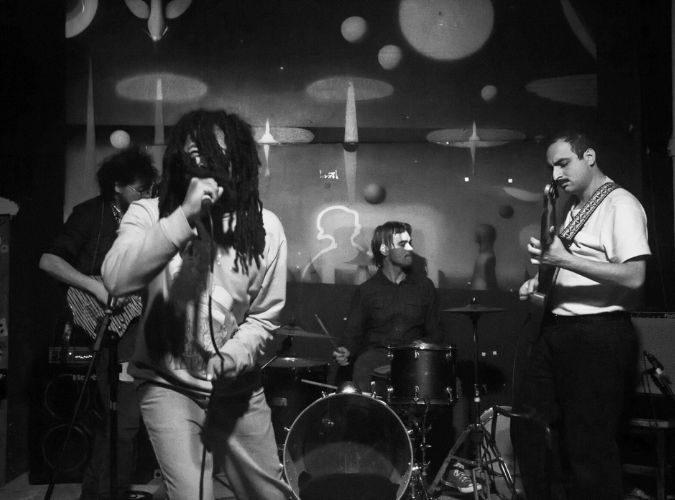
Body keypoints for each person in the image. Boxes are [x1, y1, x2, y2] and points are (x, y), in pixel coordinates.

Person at [101, 109, 292, 500]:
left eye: (215, 154)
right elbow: (116, 279)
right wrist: (183, 217)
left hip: (236, 389)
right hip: (167, 383)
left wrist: (235, 354)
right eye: (194, 155)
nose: (204, 165)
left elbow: (263, 318)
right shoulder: (149, 213)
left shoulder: (266, 228)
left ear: (239, 159)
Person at [514, 131, 651, 499]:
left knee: (588, 444)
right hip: (559, 331)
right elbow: (574, 264)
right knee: (529, 425)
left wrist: (564, 259)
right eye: (551, 167)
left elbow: (635, 276)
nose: (556, 174)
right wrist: (540, 282)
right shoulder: (575, 206)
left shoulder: (620, 204)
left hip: (597, 334)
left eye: (563, 163)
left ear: (589, 156)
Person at [39, 146, 158, 500]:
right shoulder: (91, 214)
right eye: (140, 190)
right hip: (104, 326)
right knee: (119, 420)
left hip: (139, 325)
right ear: (117, 185)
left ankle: (105, 492)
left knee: (122, 422)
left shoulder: (147, 218)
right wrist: (94, 287)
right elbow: (48, 261)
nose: (146, 196)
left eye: (150, 190)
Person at [332, 221, 481, 495]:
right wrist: (345, 351)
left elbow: (437, 333)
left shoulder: (424, 287)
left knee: (455, 387)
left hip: (413, 357)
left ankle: (450, 466)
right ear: (384, 249)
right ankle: (370, 463)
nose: (410, 248)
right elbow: (352, 334)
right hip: (377, 357)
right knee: (361, 369)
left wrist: (425, 345)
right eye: (403, 243)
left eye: (411, 242)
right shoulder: (366, 291)